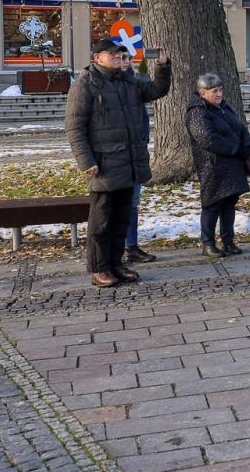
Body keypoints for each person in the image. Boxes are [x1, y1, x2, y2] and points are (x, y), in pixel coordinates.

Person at [65, 38, 172, 288]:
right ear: (97, 58)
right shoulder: (85, 85)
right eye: (111, 54)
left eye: (119, 54)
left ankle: (116, 263)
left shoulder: (127, 81)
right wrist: (86, 160)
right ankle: (99, 268)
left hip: (129, 161)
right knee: (101, 221)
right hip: (103, 164)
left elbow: (156, 90)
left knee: (121, 219)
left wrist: (162, 66)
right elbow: (74, 127)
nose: (117, 57)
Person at [184, 73, 250, 258]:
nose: (219, 94)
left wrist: (247, 146)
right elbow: (207, 138)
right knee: (212, 204)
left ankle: (228, 241)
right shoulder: (197, 111)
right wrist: (235, 149)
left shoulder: (225, 107)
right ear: (202, 93)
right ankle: (208, 243)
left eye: (220, 90)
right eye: (214, 91)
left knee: (229, 203)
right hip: (213, 165)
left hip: (232, 164)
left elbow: (240, 127)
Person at [122, 51, 158, 264]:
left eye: (128, 58)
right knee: (117, 204)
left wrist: (162, 67)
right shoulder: (104, 86)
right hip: (116, 157)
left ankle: (131, 245)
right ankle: (117, 248)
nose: (125, 62)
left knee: (133, 203)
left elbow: (157, 89)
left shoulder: (135, 85)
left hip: (136, 154)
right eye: (121, 58)